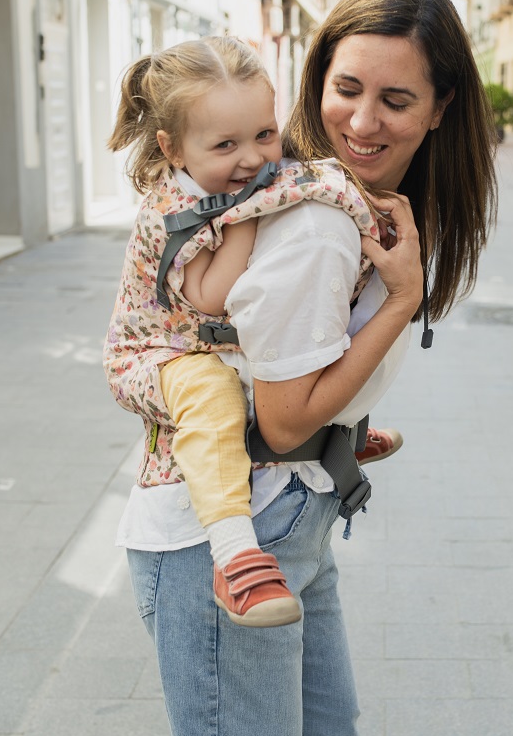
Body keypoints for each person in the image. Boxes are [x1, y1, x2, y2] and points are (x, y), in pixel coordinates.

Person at [115, 0, 498, 736]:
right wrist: (398, 302)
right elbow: (287, 420)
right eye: (345, 88)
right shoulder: (322, 220)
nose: (361, 120)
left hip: (298, 510)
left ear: (441, 106)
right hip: (233, 530)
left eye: (395, 99)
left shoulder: (349, 201)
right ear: (317, 79)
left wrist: (347, 432)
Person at [103, 36, 404, 628]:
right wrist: (247, 217)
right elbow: (212, 296)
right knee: (213, 397)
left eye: (264, 135)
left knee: (264, 351)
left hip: (203, 343)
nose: (253, 160)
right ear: (173, 148)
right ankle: (235, 555)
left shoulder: (234, 178)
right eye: (225, 145)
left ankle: (328, 431)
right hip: (154, 354)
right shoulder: (177, 209)